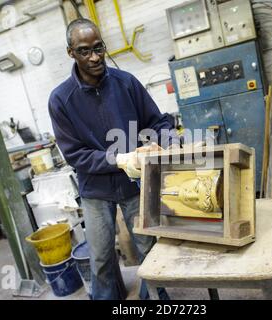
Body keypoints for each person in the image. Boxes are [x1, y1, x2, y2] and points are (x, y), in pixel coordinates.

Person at [48, 18, 176, 300]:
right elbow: (75, 155)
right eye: (84, 51)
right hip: (94, 190)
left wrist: (169, 143)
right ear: (71, 53)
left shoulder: (126, 83)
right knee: (102, 259)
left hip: (135, 186)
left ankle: (155, 300)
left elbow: (158, 122)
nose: (94, 57)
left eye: (99, 48)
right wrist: (120, 159)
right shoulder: (60, 99)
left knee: (149, 251)